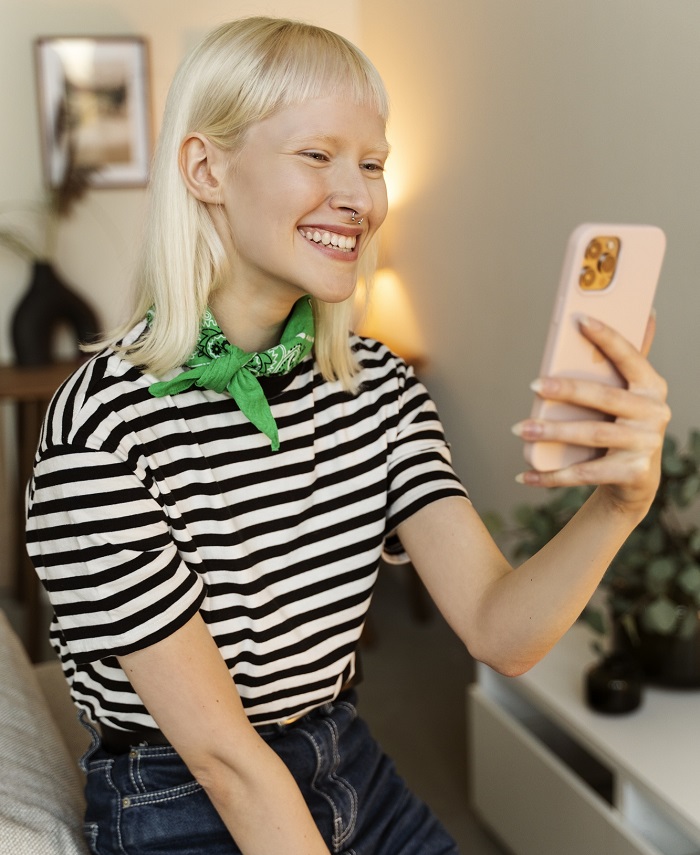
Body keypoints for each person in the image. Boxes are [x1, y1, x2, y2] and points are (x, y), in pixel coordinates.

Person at [24, 16, 669, 855]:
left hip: (345, 760)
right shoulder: (101, 433)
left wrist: (620, 505)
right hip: (182, 797)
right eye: (317, 155)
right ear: (205, 167)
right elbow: (228, 762)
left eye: (372, 163)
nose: (361, 198)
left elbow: (500, 631)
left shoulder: (378, 388)